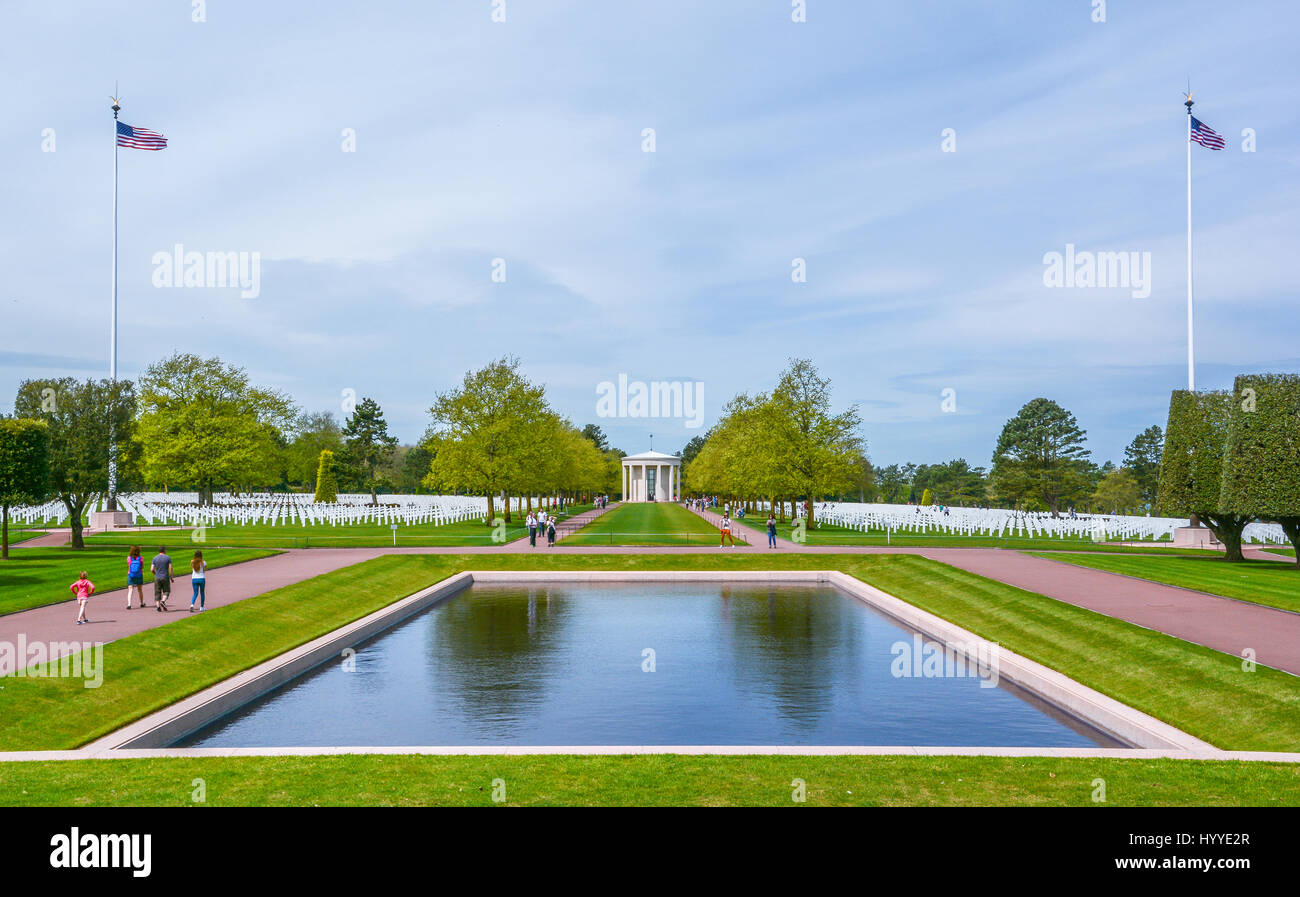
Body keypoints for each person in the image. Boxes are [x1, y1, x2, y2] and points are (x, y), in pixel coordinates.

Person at [151, 546, 174, 613]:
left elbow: (152, 569)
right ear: (164, 550)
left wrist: (155, 574)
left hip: (157, 577)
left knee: (157, 592)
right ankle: (163, 601)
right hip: (165, 576)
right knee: (167, 591)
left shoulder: (155, 558)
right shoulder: (168, 558)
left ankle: (158, 607)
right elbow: (170, 568)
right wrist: (171, 577)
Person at [126, 545, 147, 609]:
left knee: (130, 590)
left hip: (131, 575)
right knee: (140, 590)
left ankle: (129, 604)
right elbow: (142, 566)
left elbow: (129, 565)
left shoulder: (129, 558)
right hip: (139, 575)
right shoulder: (140, 558)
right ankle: (141, 603)